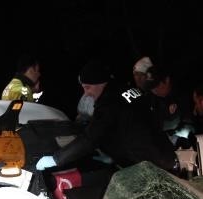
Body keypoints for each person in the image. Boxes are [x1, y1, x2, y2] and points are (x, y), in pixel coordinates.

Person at [35, 59, 176, 172]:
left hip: (149, 166)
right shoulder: (128, 89)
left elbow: (90, 138)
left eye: (88, 87)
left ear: (100, 83)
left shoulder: (109, 103)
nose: (86, 93)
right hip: (165, 156)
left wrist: (56, 159)